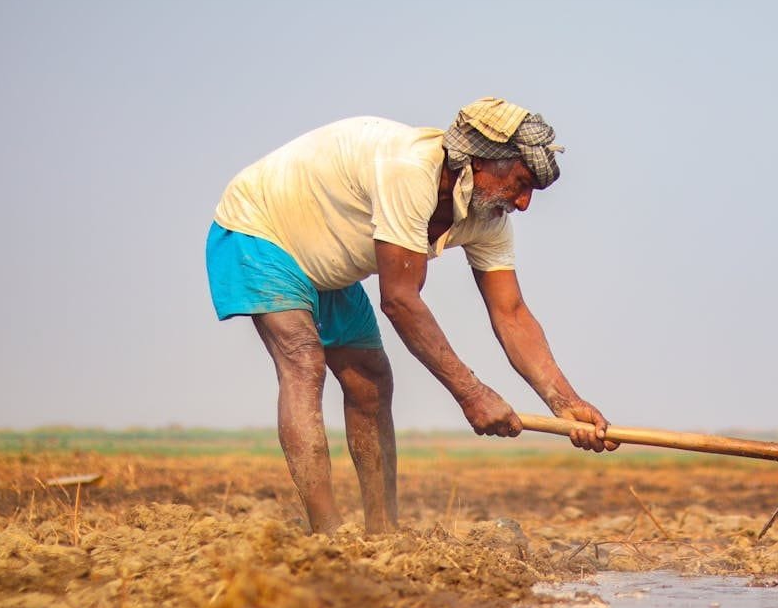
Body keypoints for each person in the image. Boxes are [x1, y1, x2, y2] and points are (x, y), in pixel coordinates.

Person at [206, 97, 617, 534]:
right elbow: (400, 300)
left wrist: (566, 404)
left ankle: (382, 535)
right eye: (520, 182)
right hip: (261, 227)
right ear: (479, 161)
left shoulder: (488, 217)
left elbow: (511, 313)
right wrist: (472, 393)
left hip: (325, 255)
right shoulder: (408, 171)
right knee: (304, 362)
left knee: (370, 379)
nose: (524, 202)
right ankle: (327, 537)